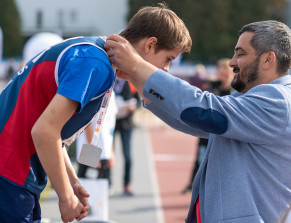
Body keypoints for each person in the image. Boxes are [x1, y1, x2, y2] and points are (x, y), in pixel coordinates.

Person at [0, 3, 192, 223]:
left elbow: (52, 132)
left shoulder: (95, 53)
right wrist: (65, 197)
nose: (166, 69)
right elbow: (44, 131)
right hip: (10, 172)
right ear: (150, 45)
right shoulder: (95, 64)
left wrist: (72, 182)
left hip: (13, 171)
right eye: (168, 59)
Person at [105, 20, 291, 223]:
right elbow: (192, 119)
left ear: (268, 60)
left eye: (241, 54)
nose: (232, 62)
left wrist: (136, 65)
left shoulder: (278, 101)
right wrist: (136, 77)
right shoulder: (262, 98)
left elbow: (203, 110)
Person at [183, 58, 234, 194]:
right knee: (200, 159)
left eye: (226, 74)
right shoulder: (211, 87)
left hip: (223, 135)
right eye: (220, 73)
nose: (222, 77)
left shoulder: (234, 92)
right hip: (206, 133)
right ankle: (193, 185)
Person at [76, 91, 117, 183]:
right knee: (84, 185)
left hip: (104, 150)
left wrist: (111, 152)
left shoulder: (111, 93)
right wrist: (92, 152)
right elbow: (87, 122)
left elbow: (111, 125)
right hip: (89, 148)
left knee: (103, 187)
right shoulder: (93, 91)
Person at [114, 79, 140, 195]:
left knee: (127, 156)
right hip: (110, 123)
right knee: (107, 154)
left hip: (126, 123)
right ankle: (107, 183)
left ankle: (127, 185)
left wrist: (133, 107)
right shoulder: (109, 79)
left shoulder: (130, 82)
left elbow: (138, 102)